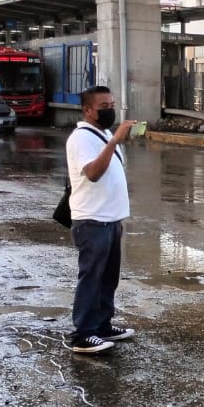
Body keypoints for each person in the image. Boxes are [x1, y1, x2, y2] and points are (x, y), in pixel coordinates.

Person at [65, 85, 136, 355]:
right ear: (87, 110)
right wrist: (114, 142)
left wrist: (113, 140)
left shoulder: (102, 133)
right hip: (92, 221)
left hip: (110, 219)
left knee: (108, 278)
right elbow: (93, 173)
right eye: (104, 107)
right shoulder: (81, 138)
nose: (110, 110)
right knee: (91, 278)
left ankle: (102, 325)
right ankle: (82, 334)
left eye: (112, 104)